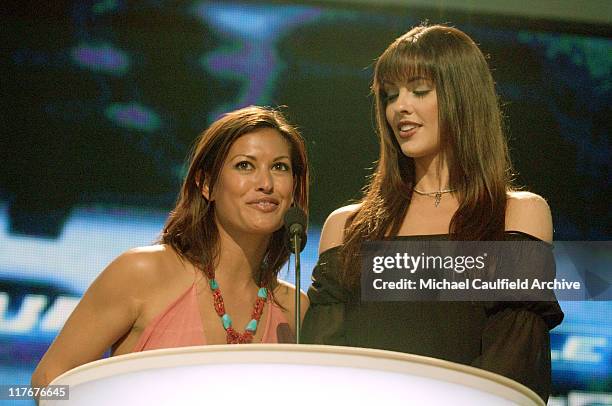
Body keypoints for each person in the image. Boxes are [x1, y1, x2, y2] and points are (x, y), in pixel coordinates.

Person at [301, 24, 563, 401]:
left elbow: (514, 368)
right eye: (390, 95)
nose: (399, 107)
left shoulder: (517, 215)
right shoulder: (346, 227)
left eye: (419, 90)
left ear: (464, 97)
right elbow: (322, 365)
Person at [32, 105, 310, 387]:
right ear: (206, 184)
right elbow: (48, 380)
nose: (265, 183)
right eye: (244, 165)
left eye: (279, 167)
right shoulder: (141, 273)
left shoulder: (293, 308)